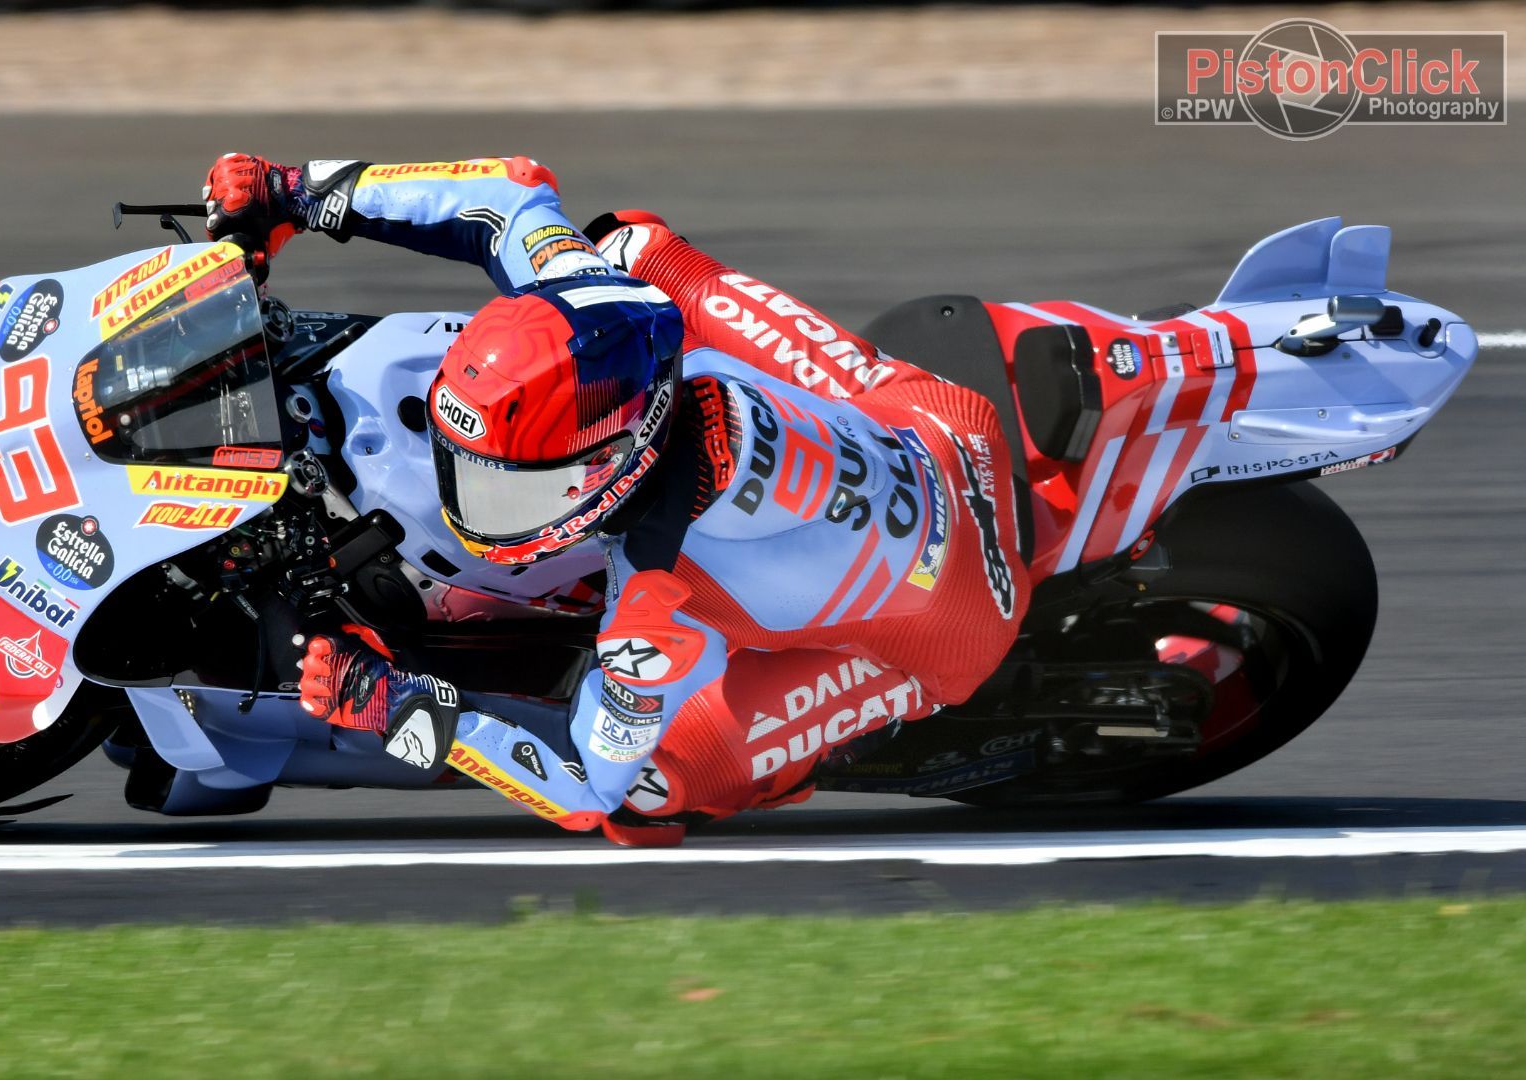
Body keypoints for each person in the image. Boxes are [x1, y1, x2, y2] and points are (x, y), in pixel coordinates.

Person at [202, 153, 1030, 845]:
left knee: (648, 789)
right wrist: (297, 191)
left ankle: (801, 756)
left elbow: (582, 781)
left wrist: (394, 705)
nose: (473, 506)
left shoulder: (653, 602)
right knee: (631, 243)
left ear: (614, 462)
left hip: (957, 618)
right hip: (930, 418)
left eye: (508, 489)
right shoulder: (598, 300)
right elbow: (503, 194)